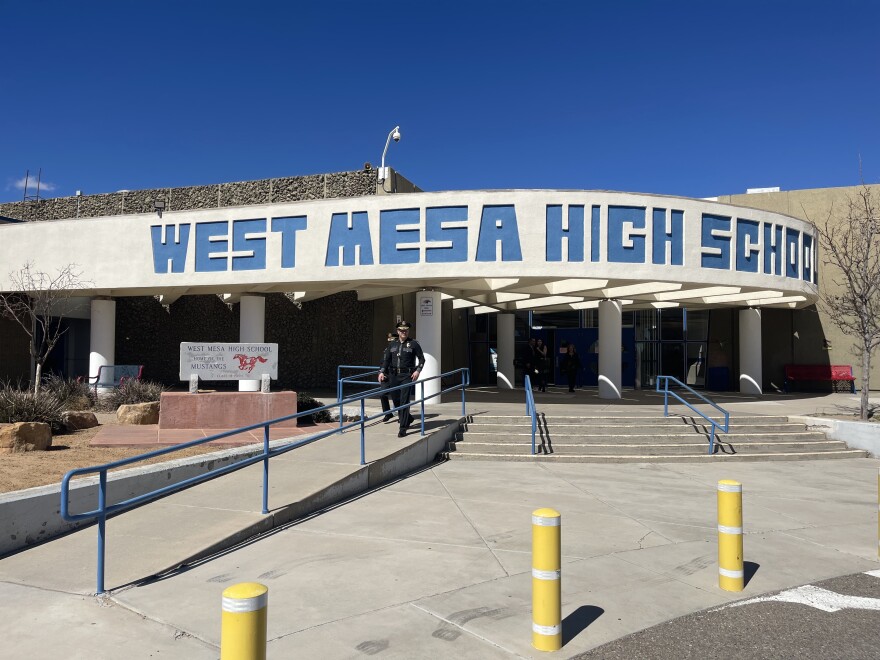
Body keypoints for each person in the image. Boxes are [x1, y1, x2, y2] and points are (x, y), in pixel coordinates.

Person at [378, 320, 426, 437]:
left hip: (406, 376)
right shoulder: (392, 344)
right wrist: (382, 371)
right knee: (396, 401)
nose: (404, 332)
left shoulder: (414, 344)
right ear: (398, 331)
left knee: (404, 401)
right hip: (394, 376)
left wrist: (417, 371)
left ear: (408, 331)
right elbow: (387, 360)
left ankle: (403, 428)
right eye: (401, 330)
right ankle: (408, 418)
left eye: (406, 330)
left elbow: (422, 359)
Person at [380, 332, 397, 422]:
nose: (390, 342)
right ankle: (387, 413)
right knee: (382, 394)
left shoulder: (398, 350)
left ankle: (403, 416)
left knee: (397, 397)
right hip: (386, 376)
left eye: (392, 341)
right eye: (389, 341)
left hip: (395, 376)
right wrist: (381, 372)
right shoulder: (386, 350)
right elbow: (382, 362)